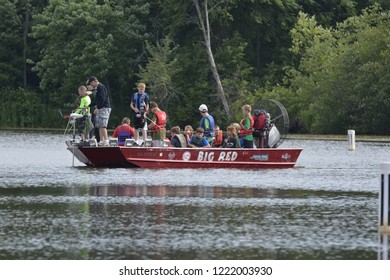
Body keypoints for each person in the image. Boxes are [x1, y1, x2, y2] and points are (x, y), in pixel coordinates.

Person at [87, 76, 111, 146]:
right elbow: (97, 100)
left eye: (91, 84)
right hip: (101, 108)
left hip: (104, 108)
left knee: (103, 125)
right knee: (99, 125)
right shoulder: (98, 88)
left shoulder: (101, 87)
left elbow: (102, 98)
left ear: (95, 81)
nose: (91, 85)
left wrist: (98, 108)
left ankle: (106, 140)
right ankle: (101, 140)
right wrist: (89, 105)